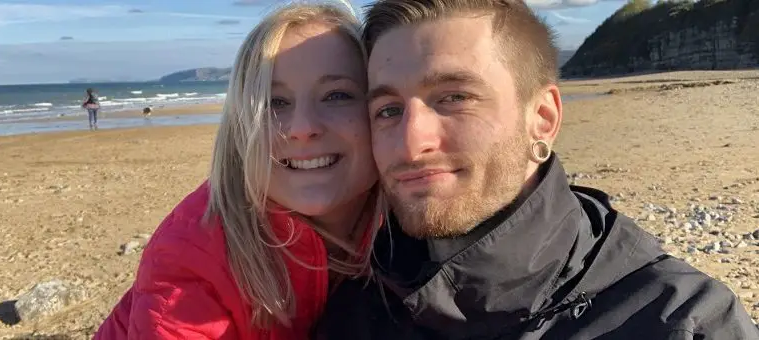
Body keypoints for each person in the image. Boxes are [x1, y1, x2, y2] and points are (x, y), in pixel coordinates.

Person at [314, 0, 759, 339]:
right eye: (388, 109)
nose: (411, 142)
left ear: (542, 118)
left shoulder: (681, 321)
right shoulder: (353, 307)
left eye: (453, 97)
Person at [93, 2, 382, 339]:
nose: (303, 128)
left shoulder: (414, 213)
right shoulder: (192, 258)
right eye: (275, 102)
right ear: (241, 129)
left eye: (336, 95)